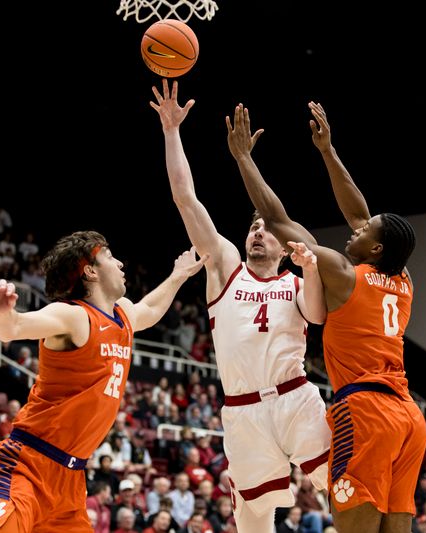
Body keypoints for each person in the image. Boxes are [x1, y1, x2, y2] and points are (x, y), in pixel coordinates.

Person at [226, 100, 426, 532]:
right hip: (409, 418)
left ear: (375, 249)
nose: (355, 229)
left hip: (368, 410)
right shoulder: (402, 276)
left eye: (363, 233)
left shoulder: (341, 273)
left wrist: (243, 158)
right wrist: (327, 151)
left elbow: (277, 219)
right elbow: (359, 211)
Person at [151, 79, 331, 532]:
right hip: (241, 409)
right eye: (251, 225)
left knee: (344, 486)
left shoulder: (297, 277)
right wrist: (172, 131)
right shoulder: (226, 266)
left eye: (264, 226)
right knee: (252, 519)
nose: (256, 230)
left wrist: (310, 269)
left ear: (282, 238)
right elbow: (185, 199)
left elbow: (319, 316)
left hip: (296, 398)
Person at [0, 230, 206, 531]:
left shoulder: (122, 316)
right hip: (26, 466)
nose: (120, 263)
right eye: (110, 256)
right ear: (90, 271)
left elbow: (149, 308)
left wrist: (179, 275)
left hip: (71, 480)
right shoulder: (73, 316)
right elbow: (12, 328)